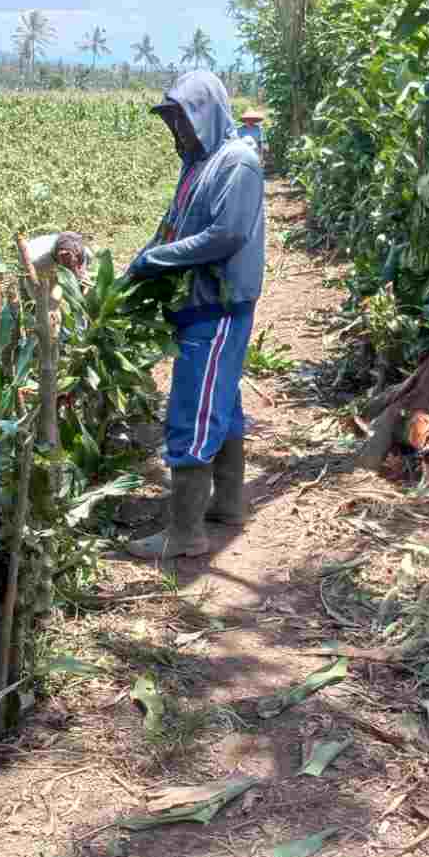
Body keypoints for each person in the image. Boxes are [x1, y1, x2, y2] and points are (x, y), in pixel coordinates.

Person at [123, 70, 266, 559]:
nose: (177, 131)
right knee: (222, 401)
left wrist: (155, 261)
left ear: (207, 114)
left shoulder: (237, 163)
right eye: (172, 121)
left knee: (195, 406)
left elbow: (226, 235)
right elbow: (175, 227)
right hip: (197, 302)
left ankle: (185, 532)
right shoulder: (198, 164)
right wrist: (136, 266)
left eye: (183, 119)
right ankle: (227, 505)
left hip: (217, 303)